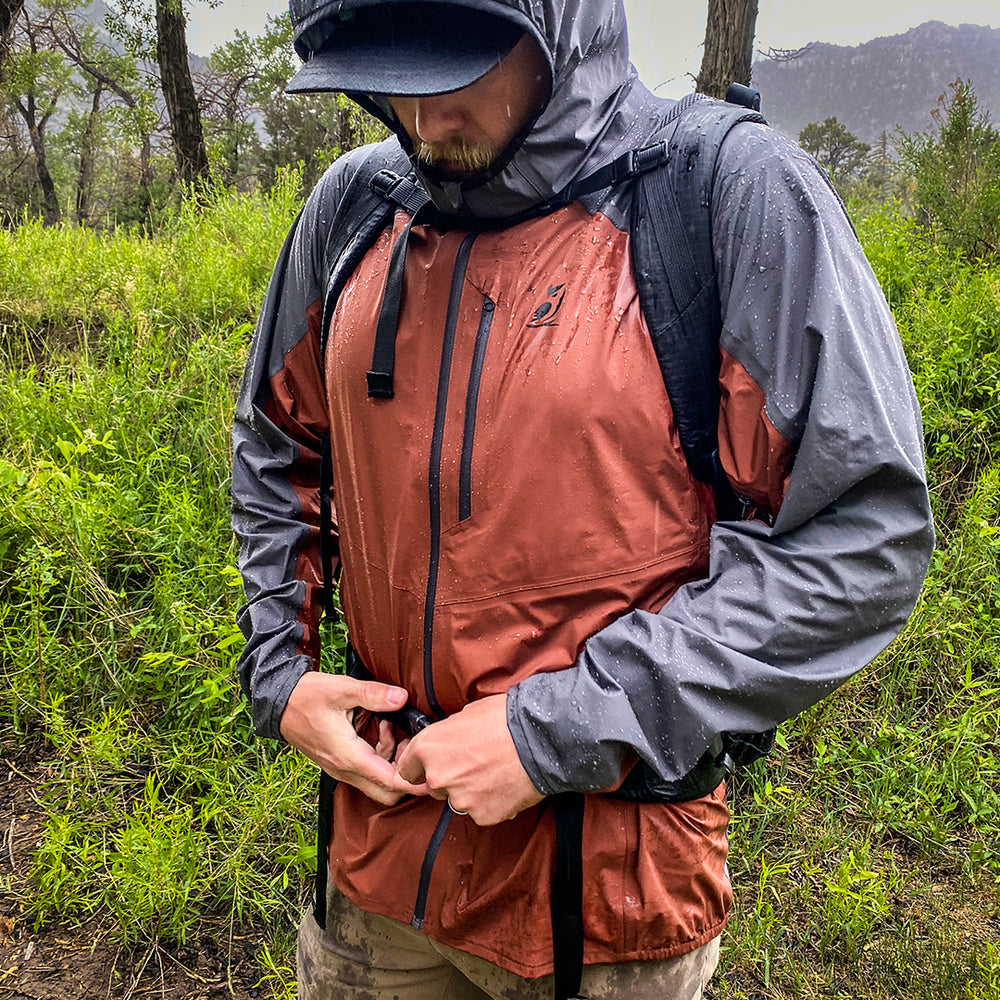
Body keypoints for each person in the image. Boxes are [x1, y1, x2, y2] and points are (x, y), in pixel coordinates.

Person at [231, 1, 934, 997]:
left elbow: (861, 540)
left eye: (457, 72)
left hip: (606, 914)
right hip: (377, 881)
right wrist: (281, 672)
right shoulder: (356, 207)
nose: (424, 122)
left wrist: (549, 730)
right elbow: (276, 443)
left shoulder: (720, 192)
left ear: (557, 28)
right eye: (394, 78)